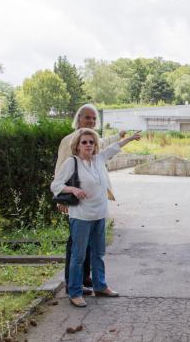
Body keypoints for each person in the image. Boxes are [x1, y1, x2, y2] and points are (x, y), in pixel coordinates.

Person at [51, 128, 141, 307]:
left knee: (98, 253)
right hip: (81, 217)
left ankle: (100, 286)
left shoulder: (98, 159)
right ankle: (75, 292)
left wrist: (130, 139)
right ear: (77, 145)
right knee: (78, 256)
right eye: (84, 142)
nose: (88, 145)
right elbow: (56, 185)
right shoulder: (72, 162)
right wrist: (73, 189)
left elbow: (114, 147)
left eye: (91, 142)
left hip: (100, 215)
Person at [55, 104, 125, 295]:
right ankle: (72, 285)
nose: (92, 121)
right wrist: (62, 199)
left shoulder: (93, 139)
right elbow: (60, 169)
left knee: (91, 247)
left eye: (94, 119)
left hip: (95, 206)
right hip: (77, 203)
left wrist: (120, 137)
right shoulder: (69, 141)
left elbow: (104, 144)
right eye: (88, 118)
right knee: (76, 247)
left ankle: (88, 281)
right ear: (78, 119)